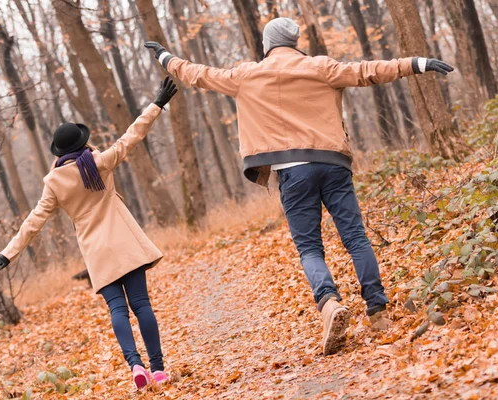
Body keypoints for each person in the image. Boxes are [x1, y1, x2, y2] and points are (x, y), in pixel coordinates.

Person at [145, 18, 454, 356]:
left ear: (268, 45)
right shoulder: (320, 67)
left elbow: (198, 74)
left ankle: (329, 302)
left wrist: (164, 57)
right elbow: (369, 70)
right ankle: (378, 312)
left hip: (293, 173)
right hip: (333, 164)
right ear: (294, 43)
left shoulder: (247, 75)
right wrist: (418, 63)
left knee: (310, 249)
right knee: (355, 238)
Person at [0, 78, 178, 389]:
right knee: (141, 304)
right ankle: (157, 369)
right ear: (83, 142)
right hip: (124, 241)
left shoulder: (54, 183)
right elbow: (133, 136)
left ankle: (135, 366)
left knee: (117, 309)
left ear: (59, 151)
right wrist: (157, 103)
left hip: (97, 251)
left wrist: (8, 253)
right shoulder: (100, 162)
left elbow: (34, 220)